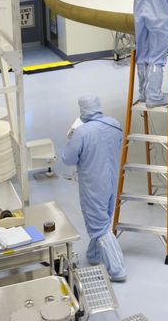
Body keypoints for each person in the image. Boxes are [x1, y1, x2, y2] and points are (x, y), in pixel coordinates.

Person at [60, 95, 127, 282]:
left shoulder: (82, 133)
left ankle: (117, 270)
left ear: (82, 110)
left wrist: (72, 137)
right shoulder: (114, 124)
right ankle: (94, 255)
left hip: (93, 185)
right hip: (112, 180)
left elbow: (68, 159)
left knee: (99, 227)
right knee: (104, 218)